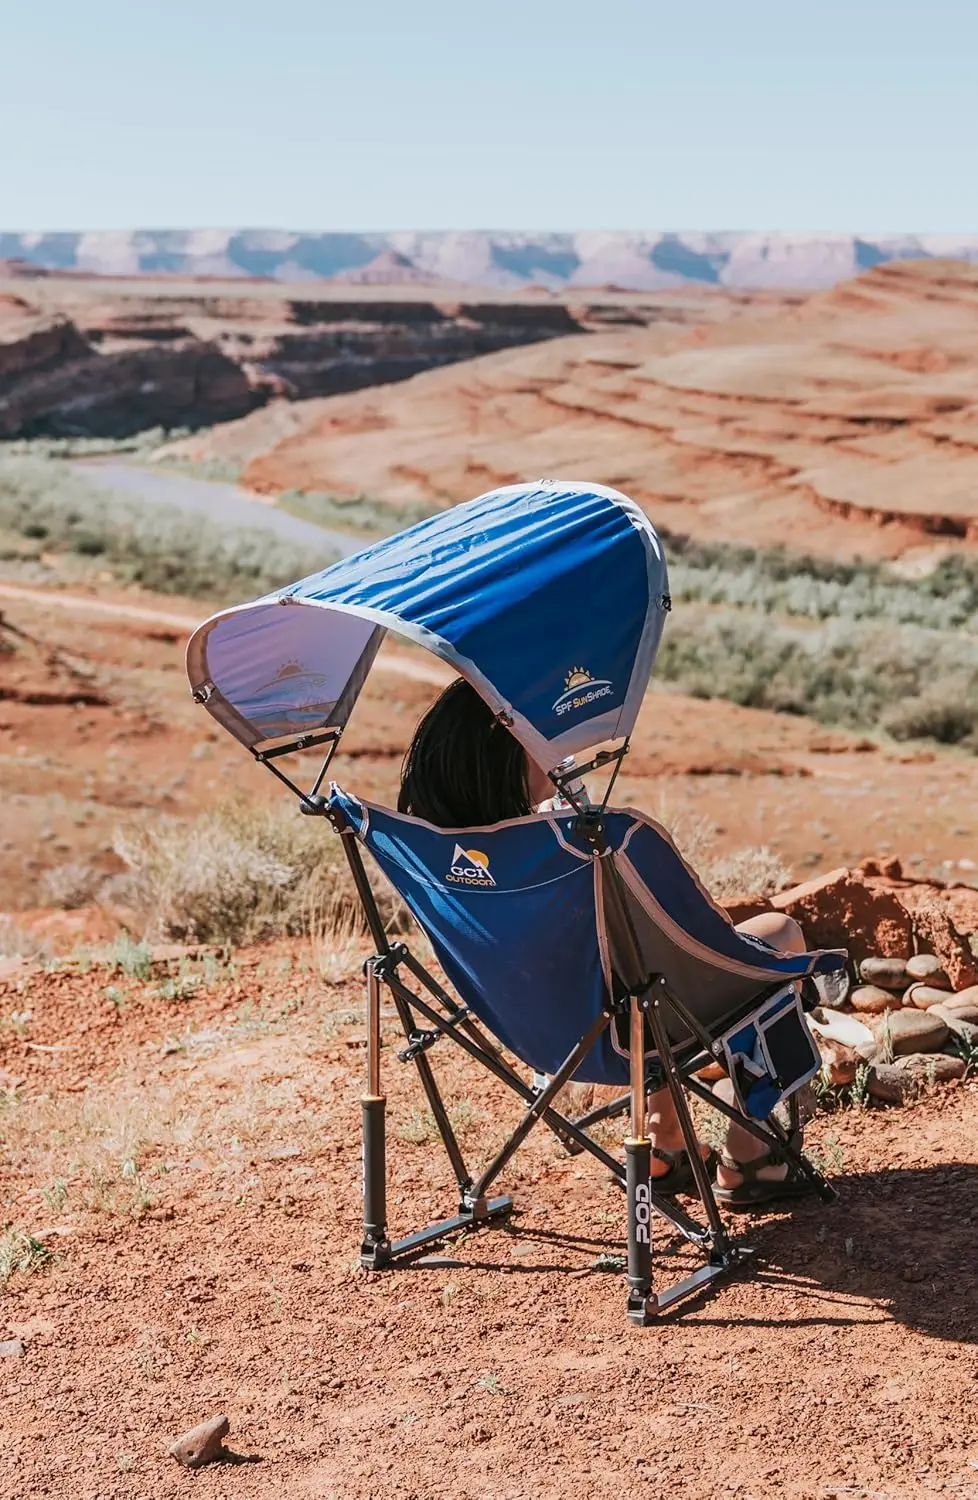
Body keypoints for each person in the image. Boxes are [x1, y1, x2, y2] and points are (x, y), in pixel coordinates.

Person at [399, 677, 807, 1209]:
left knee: (639, 975)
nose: (553, 746)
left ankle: (665, 1140)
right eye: (535, 736)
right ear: (501, 756)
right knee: (775, 935)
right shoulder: (572, 849)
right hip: (620, 1033)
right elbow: (699, 935)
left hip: (541, 1038)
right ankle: (752, 1152)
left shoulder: (432, 858)